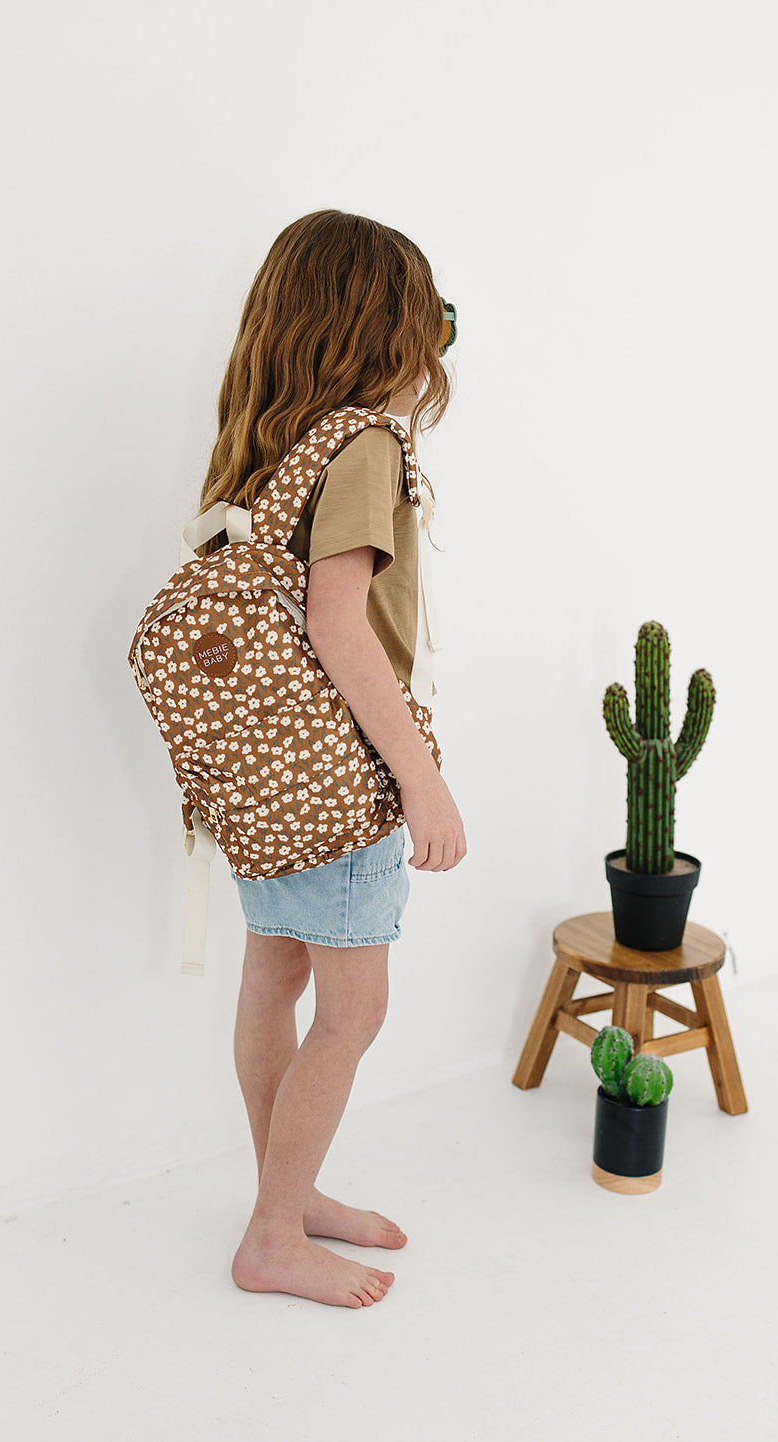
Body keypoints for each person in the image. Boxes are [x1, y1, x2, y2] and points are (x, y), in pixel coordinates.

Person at [194, 209, 466, 1309]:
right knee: (355, 1011)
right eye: (432, 320)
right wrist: (423, 783)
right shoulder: (361, 446)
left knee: (274, 979)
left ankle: (288, 1194)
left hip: (264, 781)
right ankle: (272, 1235)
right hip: (336, 783)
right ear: (387, 329)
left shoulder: (267, 443)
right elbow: (338, 625)